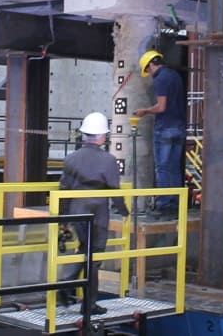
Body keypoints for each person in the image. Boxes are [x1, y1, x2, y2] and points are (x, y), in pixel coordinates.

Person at [57, 112, 129, 314]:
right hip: (97, 212)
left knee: (83, 249)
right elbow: (114, 190)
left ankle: (66, 286)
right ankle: (87, 303)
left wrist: (62, 219)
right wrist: (124, 211)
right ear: (101, 137)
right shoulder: (108, 160)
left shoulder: (71, 158)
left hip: (76, 211)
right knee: (94, 257)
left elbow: (63, 189)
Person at [132, 50, 186, 219]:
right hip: (179, 128)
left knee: (162, 168)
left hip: (165, 128)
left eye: (147, 70)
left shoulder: (160, 78)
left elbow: (161, 107)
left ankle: (164, 205)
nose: (148, 74)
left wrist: (145, 111)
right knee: (174, 168)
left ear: (150, 64)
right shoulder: (175, 75)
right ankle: (176, 203)